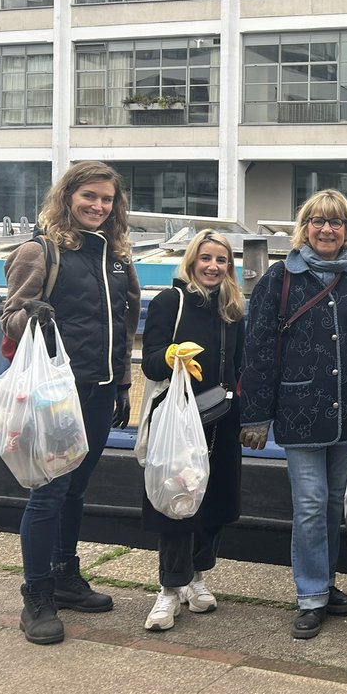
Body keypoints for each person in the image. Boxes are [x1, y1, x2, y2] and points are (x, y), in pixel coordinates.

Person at [239, 190, 347, 640]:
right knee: (309, 504)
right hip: (299, 409)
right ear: (304, 228)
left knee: (330, 504)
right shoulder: (278, 279)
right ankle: (310, 595)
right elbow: (260, 350)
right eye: (318, 222)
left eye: (337, 223)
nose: (327, 230)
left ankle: (324, 583)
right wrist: (255, 417)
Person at [1, 161, 141, 645]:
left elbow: (124, 325)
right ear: (68, 197)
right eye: (90, 197)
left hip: (101, 390)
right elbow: (10, 316)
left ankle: (64, 575)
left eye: (106, 200)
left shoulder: (118, 257)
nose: (98, 207)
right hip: (56, 394)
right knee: (49, 493)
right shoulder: (40, 251)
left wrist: (123, 382)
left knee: (77, 489)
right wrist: (29, 316)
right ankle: (35, 596)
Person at [139, 230, 245, 631]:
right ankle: (169, 587)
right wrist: (171, 357)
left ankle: (196, 575)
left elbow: (240, 363)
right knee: (176, 503)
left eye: (221, 260)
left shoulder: (233, 308)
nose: (213, 266)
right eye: (206, 258)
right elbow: (149, 361)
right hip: (180, 420)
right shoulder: (172, 301)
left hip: (223, 417)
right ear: (191, 261)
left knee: (215, 502)